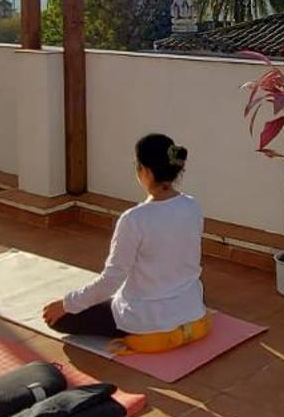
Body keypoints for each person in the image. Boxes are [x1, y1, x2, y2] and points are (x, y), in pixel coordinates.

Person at [41, 133, 206, 339]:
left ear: (144, 171)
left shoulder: (134, 219)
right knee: (187, 284)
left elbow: (111, 280)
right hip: (189, 307)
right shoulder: (193, 206)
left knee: (59, 319)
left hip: (144, 318)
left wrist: (66, 304)